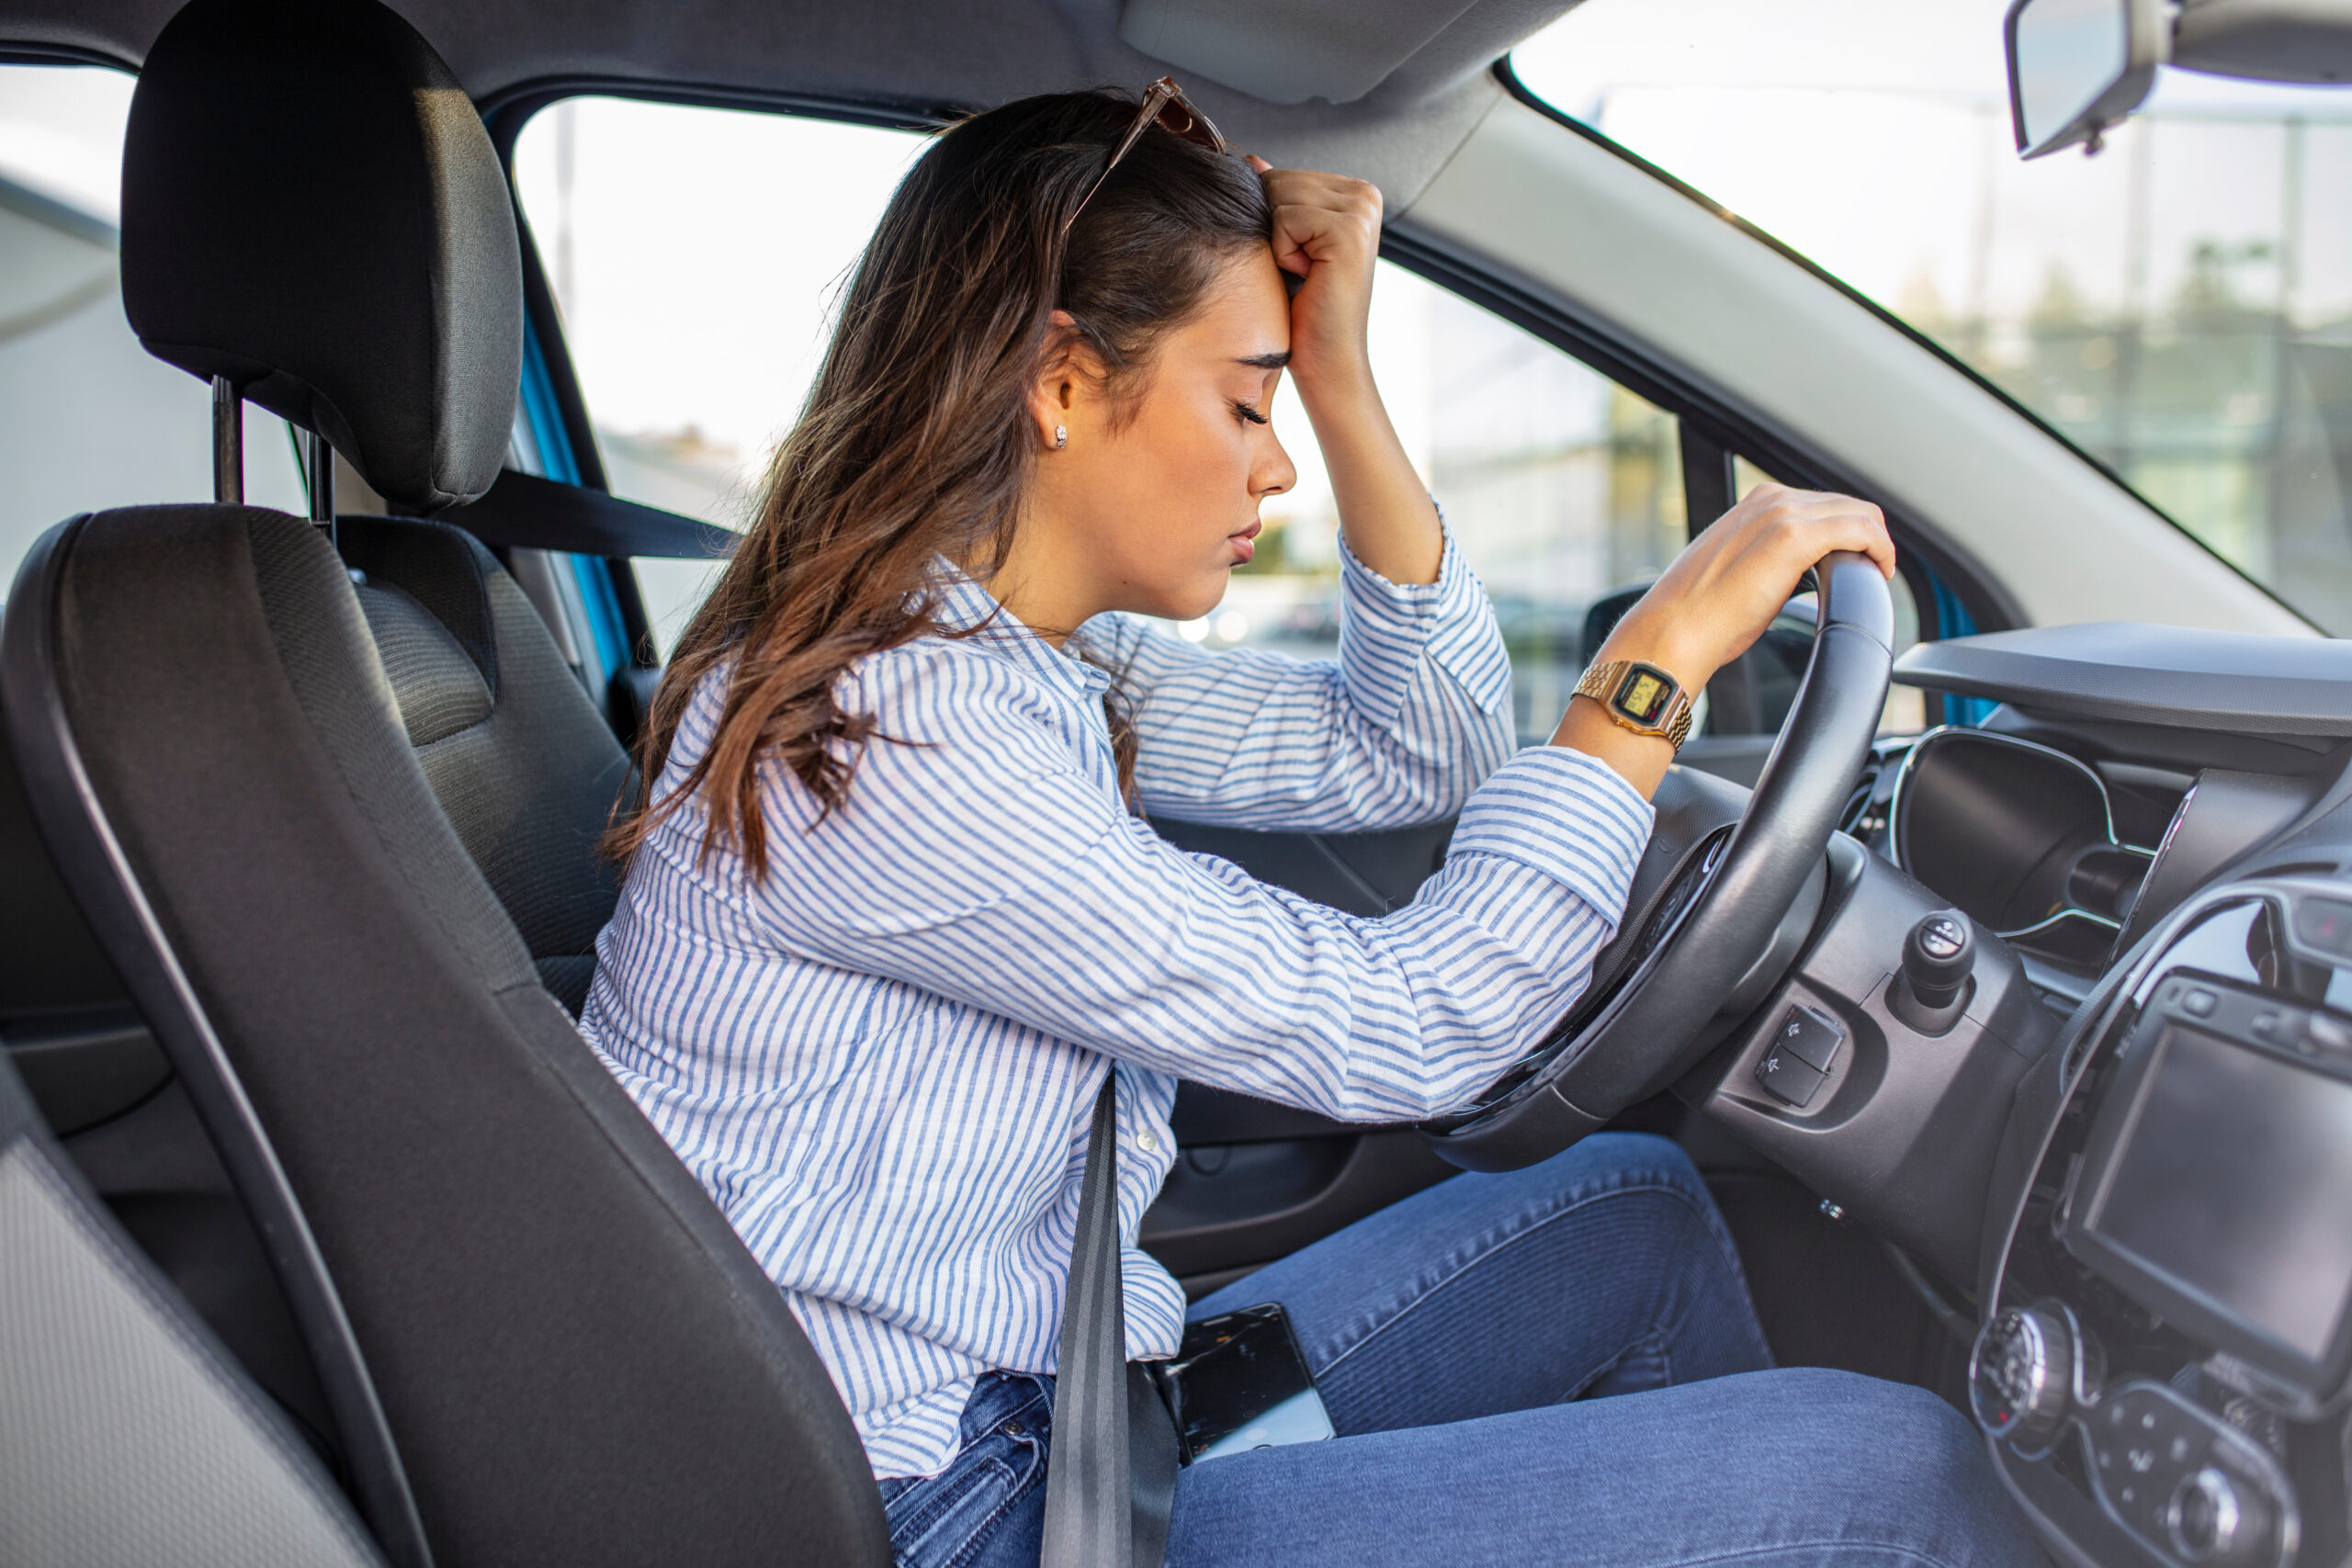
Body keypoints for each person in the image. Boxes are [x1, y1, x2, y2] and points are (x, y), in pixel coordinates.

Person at [582, 83, 2041, 1568]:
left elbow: (1426, 748)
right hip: (956, 1505)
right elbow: (1412, 1029)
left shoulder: (1019, 661)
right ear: (1063, 383)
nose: (1275, 466)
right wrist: (1649, 673)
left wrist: (1341, 373)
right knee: (1896, 1477)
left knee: (1635, 1213)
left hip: (1057, 1399)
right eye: (1245, 401)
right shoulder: (903, 736)